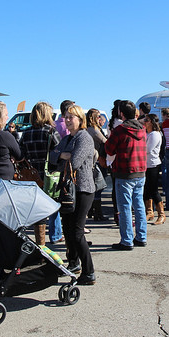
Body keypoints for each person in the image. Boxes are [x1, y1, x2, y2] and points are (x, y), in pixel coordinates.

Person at [53, 105, 96, 285]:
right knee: (68, 229)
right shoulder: (68, 138)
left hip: (83, 189)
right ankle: (73, 263)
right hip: (68, 189)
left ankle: (89, 272)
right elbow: (52, 155)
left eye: (72, 117)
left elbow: (76, 160)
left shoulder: (84, 137)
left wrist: (61, 155)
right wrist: (63, 155)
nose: (68, 120)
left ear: (80, 119)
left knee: (77, 232)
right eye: (66, 117)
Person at [105, 100, 148, 250]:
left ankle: (127, 240)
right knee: (139, 205)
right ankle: (141, 236)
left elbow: (109, 149)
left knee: (124, 207)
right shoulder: (142, 129)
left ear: (121, 114)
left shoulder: (120, 130)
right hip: (140, 171)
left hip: (124, 172)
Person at [19, 102, 63, 245]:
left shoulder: (26, 133)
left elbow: (21, 154)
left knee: (36, 206)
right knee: (53, 204)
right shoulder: (50, 131)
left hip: (31, 174)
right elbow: (60, 152)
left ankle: (39, 237)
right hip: (49, 173)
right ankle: (55, 235)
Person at [85, 108, 108, 222]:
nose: (100, 118)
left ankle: (91, 210)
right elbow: (105, 141)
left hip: (95, 160)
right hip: (97, 161)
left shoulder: (90, 129)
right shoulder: (93, 130)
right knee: (98, 186)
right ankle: (97, 213)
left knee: (95, 186)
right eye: (98, 116)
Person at [143, 114, 165, 225]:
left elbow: (147, 149)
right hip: (147, 165)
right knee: (146, 190)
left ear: (151, 122)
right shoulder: (148, 134)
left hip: (153, 165)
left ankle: (161, 214)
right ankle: (149, 212)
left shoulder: (154, 134)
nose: (144, 122)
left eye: (146, 120)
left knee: (154, 190)